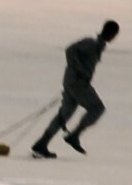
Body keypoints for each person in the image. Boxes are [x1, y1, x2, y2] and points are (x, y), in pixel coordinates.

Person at [31, 20, 120, 159]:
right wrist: (79, 69)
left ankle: (42, 143)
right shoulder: (92, 42)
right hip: (78, 82)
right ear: (111, 33)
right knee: (97, 108)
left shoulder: (98, 45)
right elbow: (70, 50)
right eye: (114, 35)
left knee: (64, 114)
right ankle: (75, 135)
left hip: (73, 81)